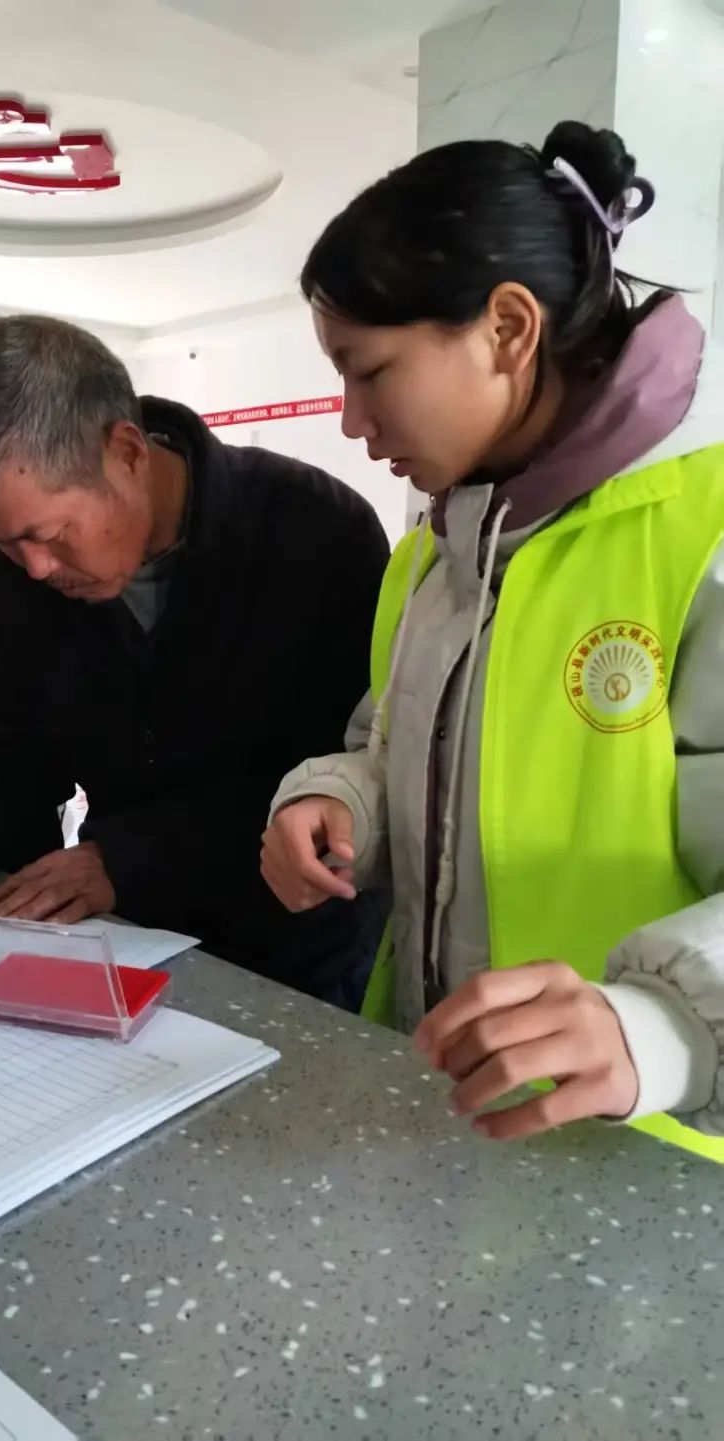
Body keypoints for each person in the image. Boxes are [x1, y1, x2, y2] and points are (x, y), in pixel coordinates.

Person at [262, 119, 724, 1159]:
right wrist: (339, 803)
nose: (351, 421)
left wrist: (665, 1028)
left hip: (650, 1158)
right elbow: (399, 749)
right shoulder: (434, 560)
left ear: (508, 329)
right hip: (446, 1108)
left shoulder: (707, 535)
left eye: (370, 371)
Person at [0, 314, 391, 1001]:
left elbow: (341, 776)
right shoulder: (18, 572)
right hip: (126, 939)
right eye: (2, 544)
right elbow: (16, 737)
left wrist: (127, 859)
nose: (34, 569)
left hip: (299, 950)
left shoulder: (315, 530)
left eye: (50, 533)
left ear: (126, 452)